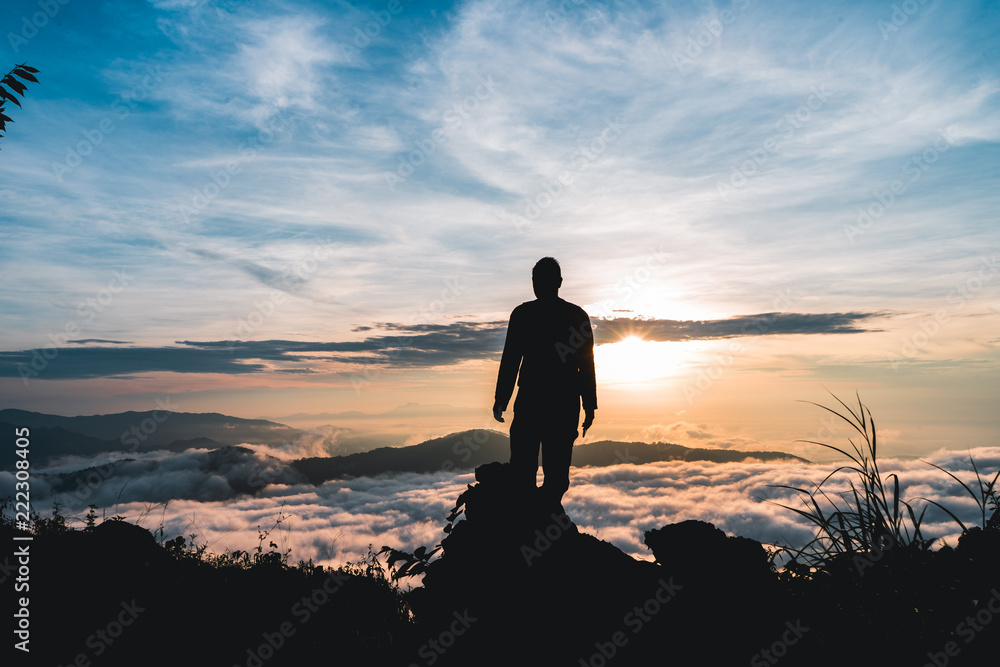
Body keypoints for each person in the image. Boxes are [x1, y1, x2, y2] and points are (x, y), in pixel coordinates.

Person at [492, 257, 597, 506]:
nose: (538, 285)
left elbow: (510, 361)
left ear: (558, 282)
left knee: (542, 474)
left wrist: (502, 399)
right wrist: (589, 405)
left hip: (537, 403)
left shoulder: (525, 314)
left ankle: (538, 524)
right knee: (542, 474)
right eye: (536, 280)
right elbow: (587, 366)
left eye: (542, 280)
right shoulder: (575, 315)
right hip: (556, 405)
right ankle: (541, 523)